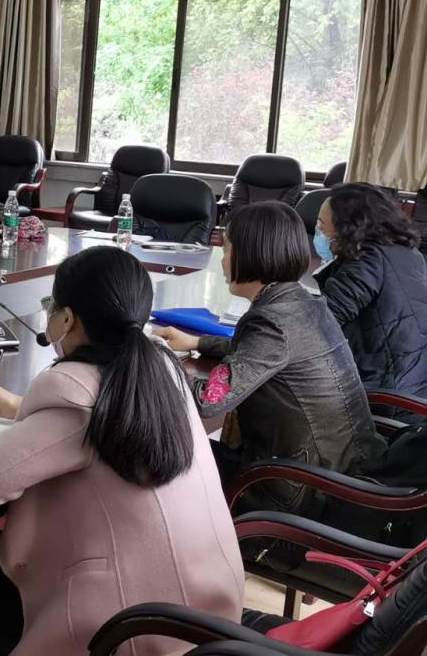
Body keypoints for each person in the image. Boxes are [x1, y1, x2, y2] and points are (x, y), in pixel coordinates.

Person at [0, 247, 243, 656]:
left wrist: (9, 431)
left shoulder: (72, 388)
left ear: (67, 318)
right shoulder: (161, 368)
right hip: (210, 614)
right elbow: (104, 422)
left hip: (134, 628)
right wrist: (22, 408)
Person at [157, 201, 383, 514]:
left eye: (227, 249)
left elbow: (208, 400)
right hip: (344, 465)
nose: (222, 260)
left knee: (162, 454)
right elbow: (257, 351)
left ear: (251, 254)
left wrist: (159, 361)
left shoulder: (272, 323)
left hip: (302, 488)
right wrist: (197, 341)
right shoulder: (301, 302)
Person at [314, 183, 427, 398]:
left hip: (381, 394)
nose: (318, 231)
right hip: (414, 385)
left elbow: (319, 324)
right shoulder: (407, 252)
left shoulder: (367, 262)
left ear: (348, 228)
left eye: (322, 224)